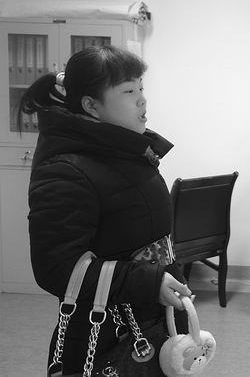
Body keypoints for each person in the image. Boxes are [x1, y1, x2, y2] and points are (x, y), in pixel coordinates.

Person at [20, 45, 192, 376]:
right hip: (107, 334)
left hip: (151, 317)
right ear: (91, 105)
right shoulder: (66, 170)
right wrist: (148, 281)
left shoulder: (124, 150)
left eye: (141, 88)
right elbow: (56, 267)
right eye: (128, 91)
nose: (142, 100)